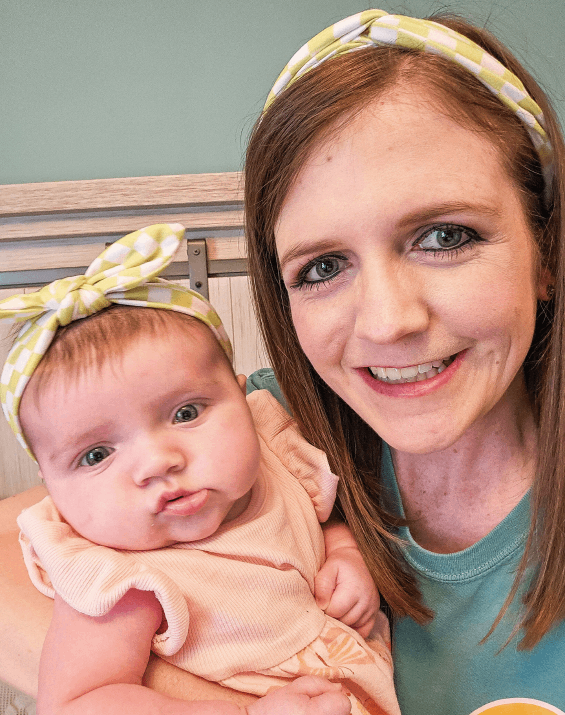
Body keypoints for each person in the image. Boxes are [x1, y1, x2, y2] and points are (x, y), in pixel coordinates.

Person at [243, 9, 565, 715]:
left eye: (444, 236)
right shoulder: (263, 439)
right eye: (323, 265)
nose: (388, 322)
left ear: (544, 250)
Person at [0, 224, 401, 715]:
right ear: (52, 487)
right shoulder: (123, 582)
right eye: (96, 455)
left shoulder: (276, 459)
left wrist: (345, 553)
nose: (157, 463)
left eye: (186, 414)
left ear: (241, 394)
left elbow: (317, 518)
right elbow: (80, 703)